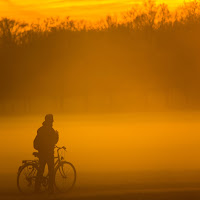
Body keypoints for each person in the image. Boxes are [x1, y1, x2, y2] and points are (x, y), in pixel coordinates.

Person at [34, 114, 59, 194]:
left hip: (41, 153)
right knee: (51, 171)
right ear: (50, 121)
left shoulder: (40, 129)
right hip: (48, 153)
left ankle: (37, 188)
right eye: (51, 120)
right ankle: (50, 189)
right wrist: (57, 135)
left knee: (40, 170)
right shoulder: (51, 131)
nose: (52, 122)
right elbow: (53, 142)